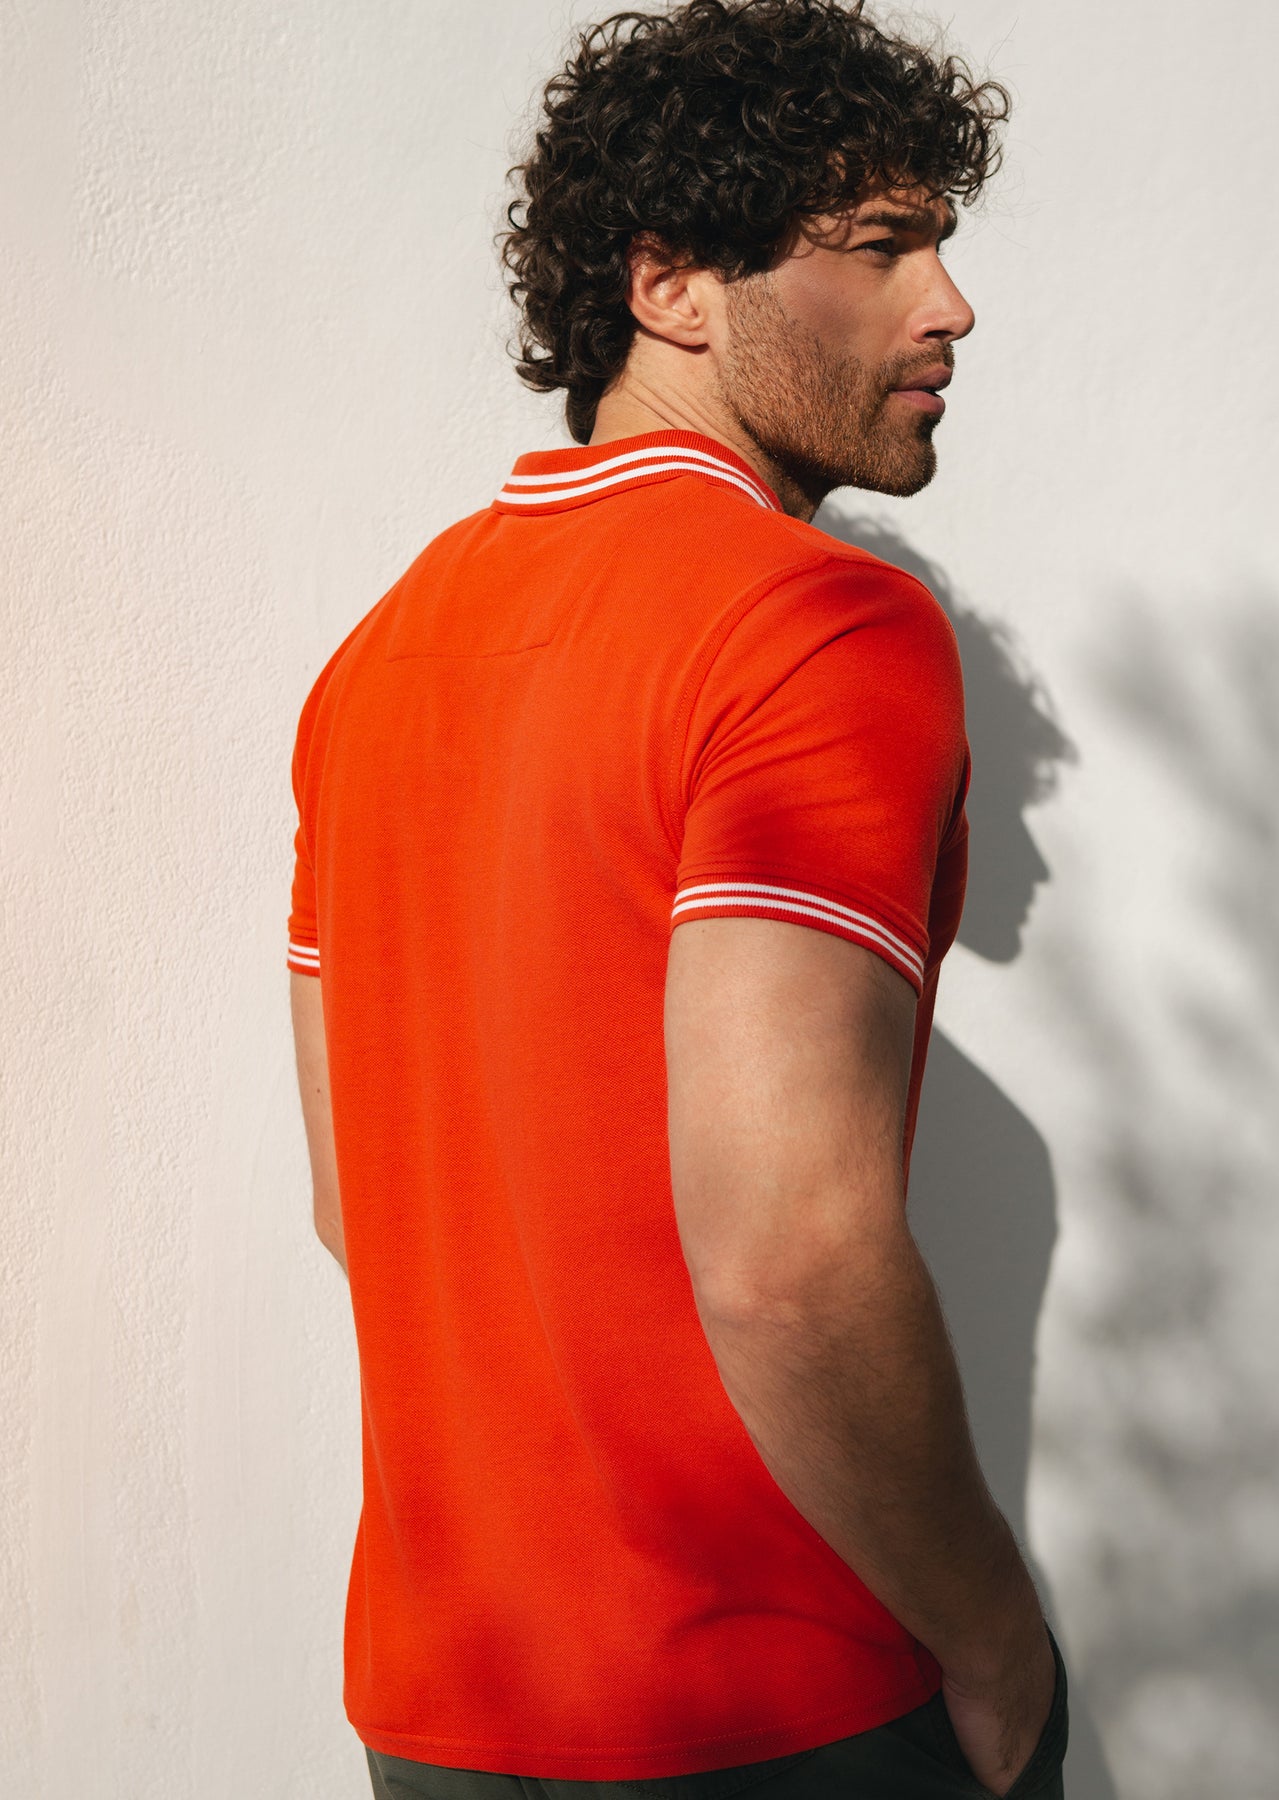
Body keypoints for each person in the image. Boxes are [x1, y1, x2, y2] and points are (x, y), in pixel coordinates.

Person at [286, 1, 1069, 1794]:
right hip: (760, 1704)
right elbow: (790, 1255)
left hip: (443, 1701)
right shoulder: (815, 623)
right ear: (669, 287)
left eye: (940, 244)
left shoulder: (375, 665)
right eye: (880, 246)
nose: (949, 304)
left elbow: (353, 1202)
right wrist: (993, 1638)